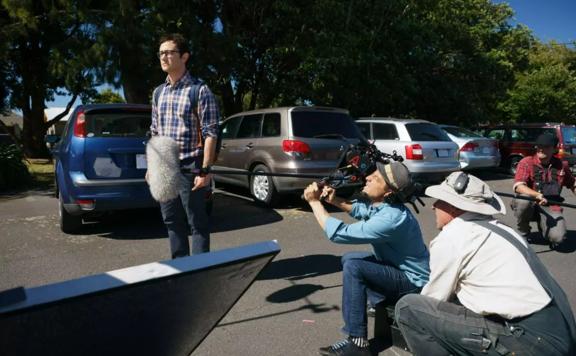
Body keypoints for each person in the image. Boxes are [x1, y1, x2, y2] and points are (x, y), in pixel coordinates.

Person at [395, 172, 576, 355]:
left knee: (409, 309)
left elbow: (433, 299)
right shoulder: (503, 229)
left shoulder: (453, 237)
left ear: (454, 207)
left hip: (531, 342)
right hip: (559, 331)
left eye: (439, 201)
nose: (433, 207)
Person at [303, 161, 430, 356]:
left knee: (354, 266)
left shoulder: (391, 219)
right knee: (350, 259)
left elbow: (338, 233)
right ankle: (379, 302)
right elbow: (361, 211)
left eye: (377, 178)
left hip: (412, 282)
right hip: (398, 270)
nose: (369, 177)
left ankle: (357, 344)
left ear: (388, 193)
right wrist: (334, 200)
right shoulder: (387, 206)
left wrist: (314, 202)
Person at [149, 33, 220, 258]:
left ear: (185, 56)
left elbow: (211, 133)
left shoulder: (199, 90)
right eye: (161, 53)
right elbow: (155, 132)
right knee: (171, 221)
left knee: (196, 222)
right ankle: (180, 267)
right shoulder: (158, 93)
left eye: (170, 52)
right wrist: (152, 167)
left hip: (191, 166)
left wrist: (205, 170)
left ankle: (200, 270)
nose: (164, 57)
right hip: (164, 167)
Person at [512, 132, 576, 248]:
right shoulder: (526, 162)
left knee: (558, 238)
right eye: (539, 146)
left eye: (546, 147)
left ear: (554, 149)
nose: (541, 149)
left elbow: (573, 184)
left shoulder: (562, 165)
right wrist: (537, 195)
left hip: (551, 206)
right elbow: (518, 186)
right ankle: (524, 233)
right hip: (530, 204)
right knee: (523, 200)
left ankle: (545, 226)